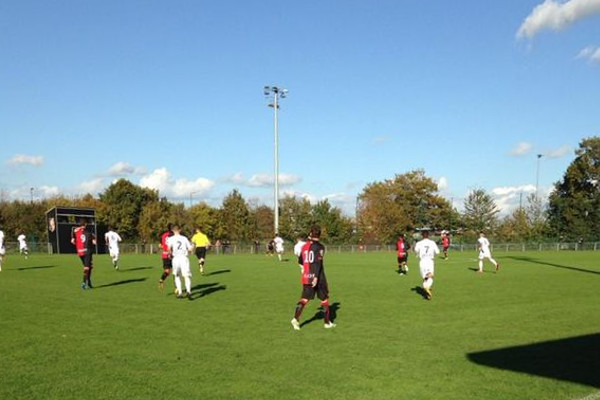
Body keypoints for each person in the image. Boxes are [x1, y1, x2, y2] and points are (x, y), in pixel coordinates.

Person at [291, 225, 336, 330]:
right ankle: (327, 323)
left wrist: (306, 271)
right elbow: (317, 263)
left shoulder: (304, 246)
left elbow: (300, 261)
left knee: (304, 299)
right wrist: (315, 277)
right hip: (318, 277)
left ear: (310, 234)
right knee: (324, 299)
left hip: (307, 276)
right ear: (319, 235)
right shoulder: (320, 247)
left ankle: (295, 319)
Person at [167, 225, 194, 300]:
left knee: (177, 275)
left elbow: (169, 249)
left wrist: (169, 255)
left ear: (173, 230)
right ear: (180, 230)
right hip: (184, 258)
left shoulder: (171, 239)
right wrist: (190, 249)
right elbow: (190, 249)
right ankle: (188, 291)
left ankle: (180, 293)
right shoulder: (184, 238)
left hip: (176, 258)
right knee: (186, 275)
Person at [71, 219, 97, 290]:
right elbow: (94, 242)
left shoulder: (76, 231)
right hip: (87, 252)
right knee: (87, 268)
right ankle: (84, 282)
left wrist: (76, 241)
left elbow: (72, 241)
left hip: (80, 252)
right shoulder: (89, 232)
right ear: (85, 224)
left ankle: (88, 281)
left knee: (89, 267)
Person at [414, 230, 440, 300]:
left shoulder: (419, 243)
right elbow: (437, 252)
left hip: (422, 261)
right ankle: (427, 287)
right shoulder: (432, 243)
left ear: (422, 236)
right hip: (430, 261)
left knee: (425, 277)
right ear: (428, 235)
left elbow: (416, 250)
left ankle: (426, 290)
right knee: (430, 275)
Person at [158, 224, 174, 292]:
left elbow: (160, 245)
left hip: (165, 255)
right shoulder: (174, 235)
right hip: (173, 255)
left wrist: (164, 247)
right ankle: (177, 288)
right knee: (176, 272)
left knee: (167, 271)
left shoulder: (163, 235)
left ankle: (161, 280)